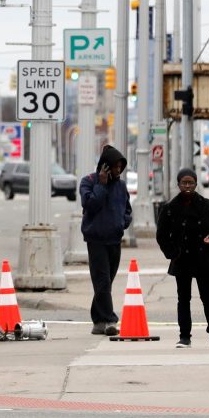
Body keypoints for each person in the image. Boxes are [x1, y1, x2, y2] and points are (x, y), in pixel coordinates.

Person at [157, 167, 209, 348]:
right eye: (184, 183)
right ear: (178, 184)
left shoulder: (208, 205)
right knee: (183, 299)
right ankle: (184, 336)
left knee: (207, 298)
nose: (187, 186)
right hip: (182, 260)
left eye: (191, 183)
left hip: (203, 258)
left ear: (196, 184)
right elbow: (162, 235)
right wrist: (172, 253)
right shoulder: (170, 208)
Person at [80, 144, 133, 336]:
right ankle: (110, 320)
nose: (119, 170)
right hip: (96, 239)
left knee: (106, 281)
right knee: (102, 280)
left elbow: (127, 209)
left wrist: (123, 222)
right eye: (116, 167)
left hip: (114, 238)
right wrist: (101, 185)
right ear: (105, 166)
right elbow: (90, 205)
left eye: (121, 167)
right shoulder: (88, 181)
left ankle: (98, 320)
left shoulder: (121, 186)